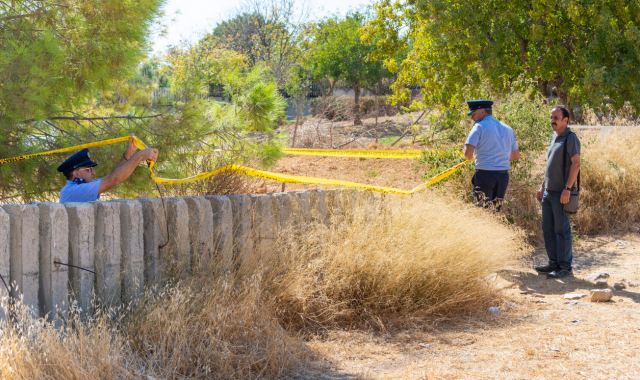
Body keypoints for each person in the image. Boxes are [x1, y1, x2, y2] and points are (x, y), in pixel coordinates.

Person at [535, 105, 581, 279]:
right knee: (548, 229)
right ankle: (553, 263)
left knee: (561, 230)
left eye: (556, 117)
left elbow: (576, 164)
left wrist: (567, 189)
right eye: (551, 117)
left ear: (565, 120)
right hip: (548, 192)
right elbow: (550, 166)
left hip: (562, 193)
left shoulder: (571, 138)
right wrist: (542, 186)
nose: (552, 120)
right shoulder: (554, 138)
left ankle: (565, 267)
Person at [57, 136, 158, 203]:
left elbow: (111, 177)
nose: (94, 173)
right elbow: (113, 179)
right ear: (76, 173)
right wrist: (140, 156)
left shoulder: (77, 187)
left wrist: (128, 155)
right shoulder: (74, 191)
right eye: (89, 169)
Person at [464, 99, 520, 210]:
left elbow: (468, 155)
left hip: (485, 175)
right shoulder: (508, 129)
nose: (472, 118)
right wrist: (499, 156)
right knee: (495, 212)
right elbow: (515, 156)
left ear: (482, 111)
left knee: (481, 212)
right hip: (503, 177)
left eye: (473, 114)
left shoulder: (479, 126)